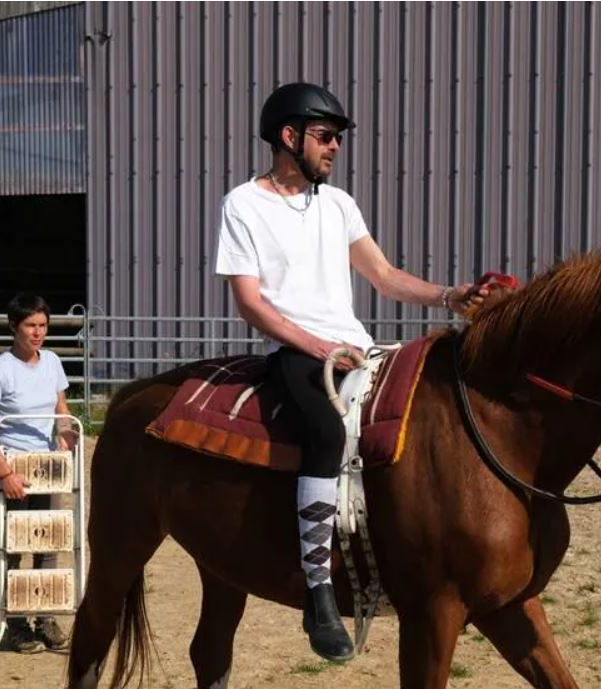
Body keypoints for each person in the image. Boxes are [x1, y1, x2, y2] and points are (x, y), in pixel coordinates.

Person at [214, 82, 487, 662]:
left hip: (358, 350)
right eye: (325, 136)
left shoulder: (338, 205)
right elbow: (251, 303)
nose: (335, 147)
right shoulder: (243, 204)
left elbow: (384, 276)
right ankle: (318, 591)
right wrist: (318, 346)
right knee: (328, 433)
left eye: (337, 138)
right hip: (299, 352)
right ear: (290, 138)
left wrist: (450, 294)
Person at [0, 293, 76, 654]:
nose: (38, 333)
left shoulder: (52, 363)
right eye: (31, 325)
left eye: (43, 325)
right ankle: (16, 625)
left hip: (47, 468)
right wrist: (4, 472)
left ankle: (45, 618)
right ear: (14, 326)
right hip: (13, 468)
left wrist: (65, 432)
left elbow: (61, 407)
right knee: (13, 547)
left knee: (48, 542)